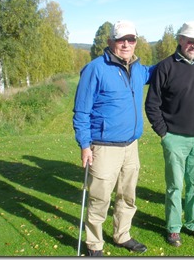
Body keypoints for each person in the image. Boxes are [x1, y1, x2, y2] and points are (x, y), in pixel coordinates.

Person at [73, 20, 155, 256]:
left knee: (127, 196)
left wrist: (179, 58)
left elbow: (159, 71)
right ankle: (94, 244)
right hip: (103, 147)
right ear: (111, 42)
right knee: (99, 198)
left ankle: (122, 235)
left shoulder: (139, 69)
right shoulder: (95, 69)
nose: (127, 44)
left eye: (131, 39)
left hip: (131, 145)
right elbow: (81, 111)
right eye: (121, 39)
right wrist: (85, 146)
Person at [145, 21, 194, 247]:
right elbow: (152, 104)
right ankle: (174, 227)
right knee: (175, 186)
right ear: (180, 40)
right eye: (191, 41)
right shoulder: (166, 66)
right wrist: (164, 134)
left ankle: (193, 223)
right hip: (174, 137)